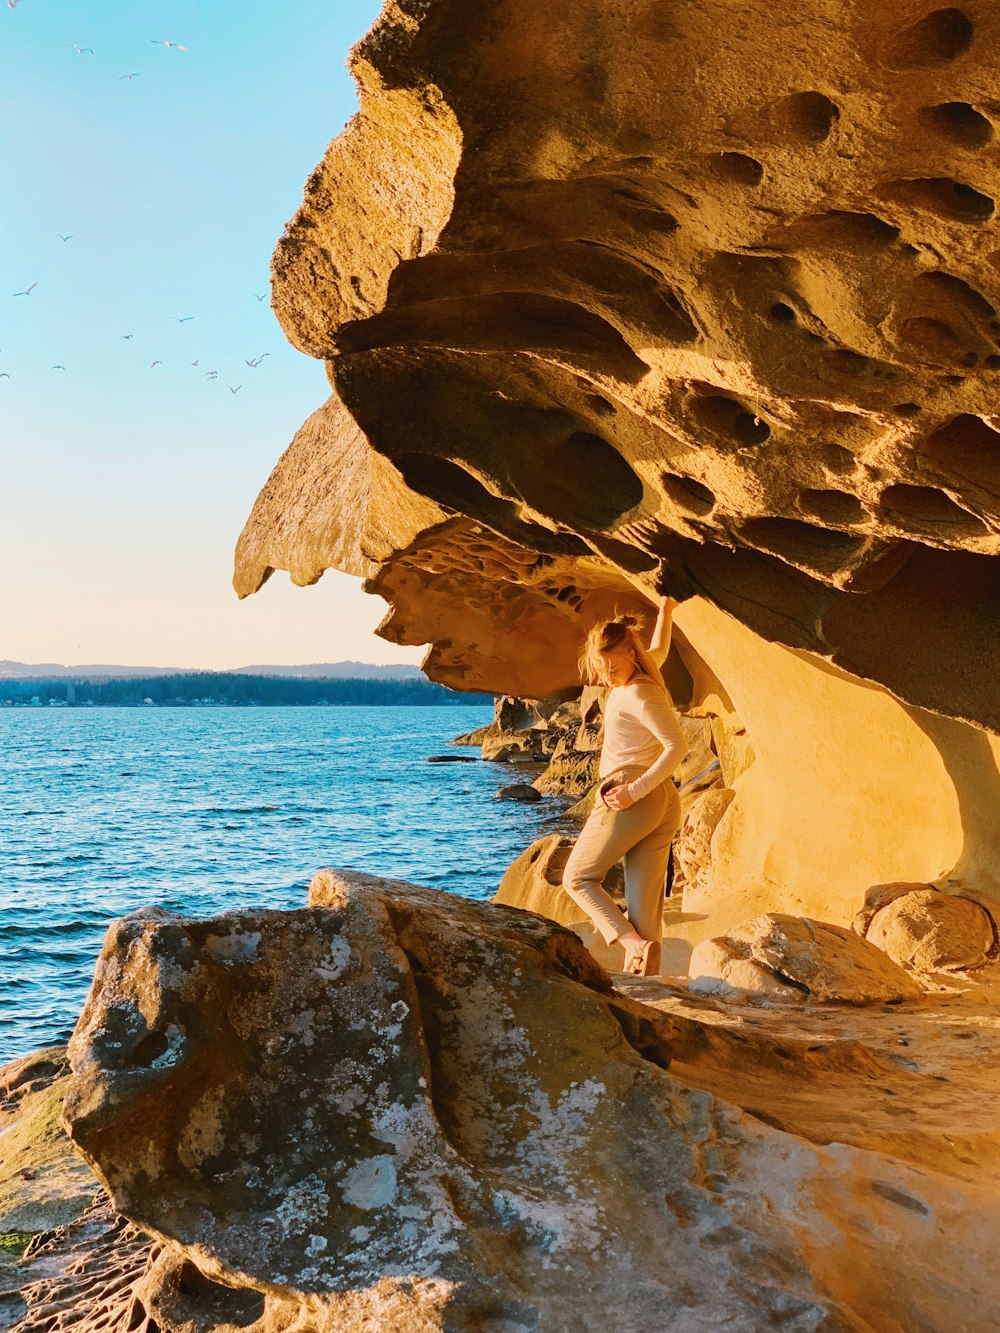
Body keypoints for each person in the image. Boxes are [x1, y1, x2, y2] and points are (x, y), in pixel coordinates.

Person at [561, 595, 687, 977]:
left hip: (633, 791)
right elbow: (659, 649)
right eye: (602, 670)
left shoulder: (641, 692)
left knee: (577, 878)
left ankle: (631, 946)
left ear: (630, 653)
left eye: (613, 667)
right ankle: (648, 982)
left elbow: (677, 746)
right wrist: (665, 613)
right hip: (659, 799)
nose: (608, 676)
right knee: (644, 907)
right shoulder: (644, 676)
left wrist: (635, 790)